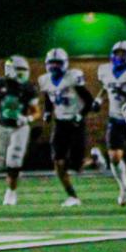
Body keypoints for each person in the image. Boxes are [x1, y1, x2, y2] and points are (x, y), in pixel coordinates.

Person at [37, 47, 92, 207]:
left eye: (57, 63)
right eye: (51, 63)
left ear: (65, 64)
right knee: (58, 162)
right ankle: (72, 196)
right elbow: (48, 97)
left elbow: (88, 100)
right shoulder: (45, 80)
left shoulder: (73, 77)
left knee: (76, 166)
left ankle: (93, 159)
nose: (54, 67)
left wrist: (80, 115)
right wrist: (47, 112)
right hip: (60, 123)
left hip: (75, 122)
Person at [0, 55, 37, 205]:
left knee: (14, 161)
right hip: (2, 126)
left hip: (20, 128)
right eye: (19, 70)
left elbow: (36, 111)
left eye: (24, 70)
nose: (22, 74)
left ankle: (11, 192)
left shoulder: (28, 88)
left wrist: (28, 119)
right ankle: (12, 176)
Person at [96, 40, 126, 205]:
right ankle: (123, 188)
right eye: (117, 53)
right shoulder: (105, 70)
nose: (119, 57)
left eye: (123, 54)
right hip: (115, 118)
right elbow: (106, 87)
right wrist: (98, 99)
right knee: (114, 157)